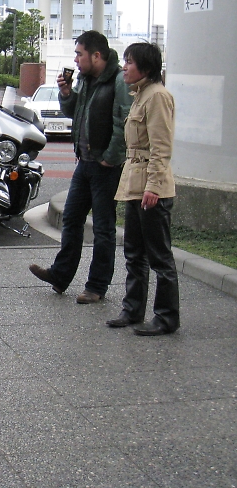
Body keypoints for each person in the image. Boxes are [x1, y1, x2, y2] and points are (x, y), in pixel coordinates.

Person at [29, 30, 133, 304]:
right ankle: (60, 275)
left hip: (105, 166)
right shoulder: (85, 80)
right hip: (84, 163)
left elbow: (124, 121)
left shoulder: (118, 80)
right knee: (72, 219)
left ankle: (97, 286)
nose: (75, 60)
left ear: (96, 55)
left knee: (103, 228)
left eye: (79, 54)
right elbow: (74, 112)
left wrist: (111, 156)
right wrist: (66, 93)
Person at [107, 42, 179, 335]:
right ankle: (133, 310)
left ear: (146, 68)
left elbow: (161, 148)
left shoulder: (157, 96)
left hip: (152, 188)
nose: (124, 67)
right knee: (134, 253)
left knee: (159, 256)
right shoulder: (140, 95)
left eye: (130, 62)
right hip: (135, 185)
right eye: (124, 61)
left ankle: (166, 317)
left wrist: (154, 187)